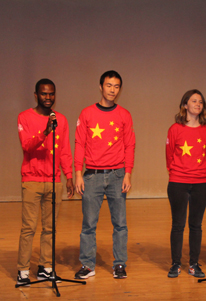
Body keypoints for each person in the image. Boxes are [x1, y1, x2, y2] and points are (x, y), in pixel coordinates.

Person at [74, 71, 136, 279]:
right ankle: (87, 264)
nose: (112, 90)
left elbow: (130, 145)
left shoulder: (124, 115)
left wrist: (127, 173)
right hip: (92, 176)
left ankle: (119, 264)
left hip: (117, 175)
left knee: (120, 224)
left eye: (117, 86)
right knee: (89, 224)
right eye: (109, 85)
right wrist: (77, 174)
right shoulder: (87, 113)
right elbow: (79, 144)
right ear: (101, 87)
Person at [16, 79, 74, 286]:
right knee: (29, 227)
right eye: (43, 94)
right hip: (32, 180)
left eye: (51, 94)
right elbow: (27, 146)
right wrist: (45, 131)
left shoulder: (62, 120)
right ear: (36, 95)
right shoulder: (24, 117)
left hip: (54, 180)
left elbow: (65, 150)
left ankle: (45, 267)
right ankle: (22, 270)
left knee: (50, 228)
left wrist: (69, 176)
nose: (48, 98)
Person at [166, 89, 206, 278]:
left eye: (201, 102)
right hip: (178, 182)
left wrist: (197, 170)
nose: (198, 104)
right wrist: (180, 171)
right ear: (185, 104)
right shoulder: (175, 129)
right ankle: (176, 264)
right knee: (178, 225)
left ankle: (194, 264)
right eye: (194, 101)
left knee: (196, 225)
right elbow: (169, 155)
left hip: (201, 182)